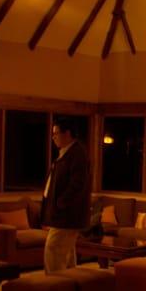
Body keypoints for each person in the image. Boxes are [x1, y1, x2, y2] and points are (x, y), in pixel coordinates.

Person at [42, 117, 91, 273]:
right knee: (66, 252)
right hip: (61, 214)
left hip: (67, 216)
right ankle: (69, 282)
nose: (53, 137)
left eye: (56, 133)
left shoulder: (77, 154)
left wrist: (61, 203)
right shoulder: (64, 153)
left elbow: (78, 184)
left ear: (67, 133)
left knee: (53, 248)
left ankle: (55, 283)